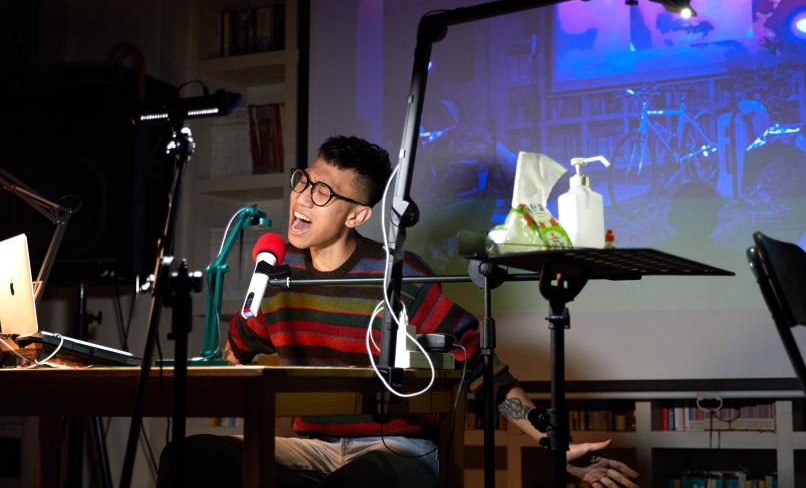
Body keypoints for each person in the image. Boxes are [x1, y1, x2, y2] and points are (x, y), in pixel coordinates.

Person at [159, 135, 638, 487]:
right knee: (191, 458)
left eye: (322, 193)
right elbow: (232, 357)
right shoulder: (276, 273)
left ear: (357, 215)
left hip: (395, 450)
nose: (302, 200)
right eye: (302, 182)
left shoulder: (398, 276)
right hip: (311, 447)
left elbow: (481, 370)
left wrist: (550, 441)